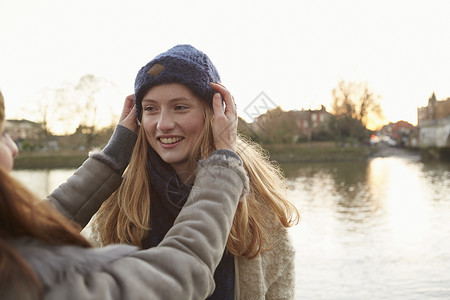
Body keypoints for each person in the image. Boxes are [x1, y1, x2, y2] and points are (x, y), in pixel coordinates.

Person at [89, 44, 300, 299]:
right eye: (151, 109)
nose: (163, 124)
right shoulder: (117, 202)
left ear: (215, 113)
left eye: (180, 107)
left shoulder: (259, 202)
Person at [0, 89, 248, 300]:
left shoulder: (261, 212)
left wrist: (113, 157)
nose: (13, 147)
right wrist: (224, 167)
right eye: (2, 133)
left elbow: (29, 226)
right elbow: (178, 275)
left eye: (180, 107)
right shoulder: (116, 212)